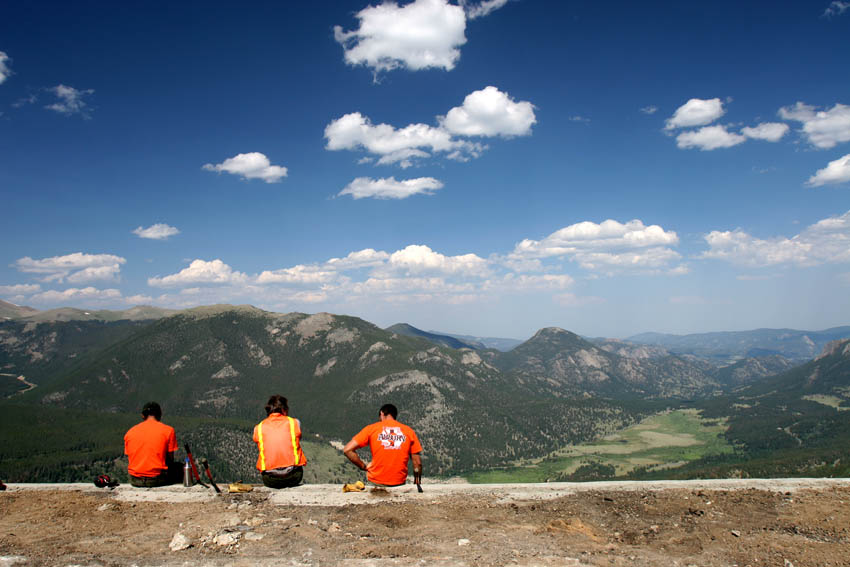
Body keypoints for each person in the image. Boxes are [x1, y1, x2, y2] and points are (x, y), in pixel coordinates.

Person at [343, 403, 422, 487]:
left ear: (382, 413)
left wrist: (363, 466)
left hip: (376, 482)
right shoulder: (409, 431)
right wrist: (417, 481)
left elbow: (347, 450)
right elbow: (417, 463)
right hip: (398, 483)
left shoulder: (371, 429)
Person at [253, 394, 307, 488]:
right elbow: (298, 438)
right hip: (293, 477)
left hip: (270, 480)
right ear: (284, 410)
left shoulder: (258, 428)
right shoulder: (294, 423)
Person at [123, 402, 181, 487]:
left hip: (135, 479)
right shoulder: (168, 431)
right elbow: (170, 459)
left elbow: (130, 457)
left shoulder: (130, 432)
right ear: (159, 415)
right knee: (180, 467)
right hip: (157, 479)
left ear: (143, 416)